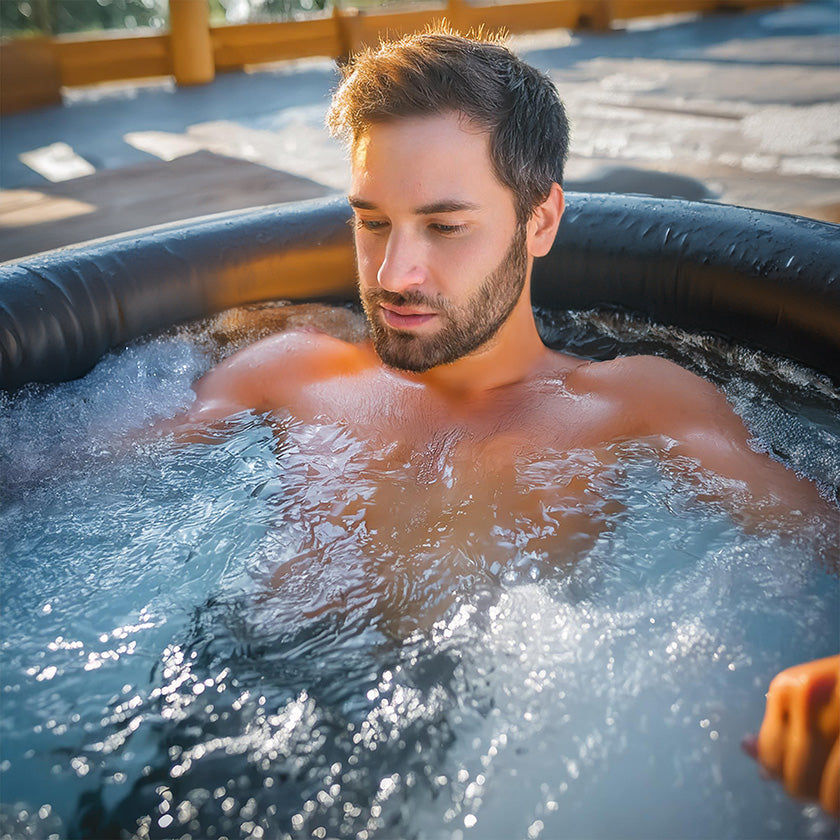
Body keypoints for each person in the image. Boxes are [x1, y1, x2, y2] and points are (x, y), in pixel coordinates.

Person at [162, 28, 837, 814]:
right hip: (203, 712)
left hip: (453, 769)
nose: (392, 275)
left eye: (445, 227)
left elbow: (818, 537)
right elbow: (51, 474)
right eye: (372, 221)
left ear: (540, 220)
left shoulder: (630, 403)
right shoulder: (292, 372)